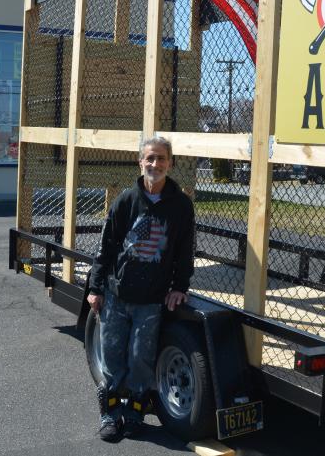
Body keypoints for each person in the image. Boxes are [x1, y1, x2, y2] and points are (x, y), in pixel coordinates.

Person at [87, 137, 195, 442]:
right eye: (150, 158)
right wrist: (95, 287)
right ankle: (111, 415)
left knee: (140, 359)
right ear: (140, 162)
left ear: (170, 163)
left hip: (151, 300)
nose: (155, 164)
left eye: (161, 159)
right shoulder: (126, 200)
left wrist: (180, 286)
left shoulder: (181, 206)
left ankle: (134, 414)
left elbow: (185, 251)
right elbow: (105, 247)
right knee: (112, 357)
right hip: (117, 295)